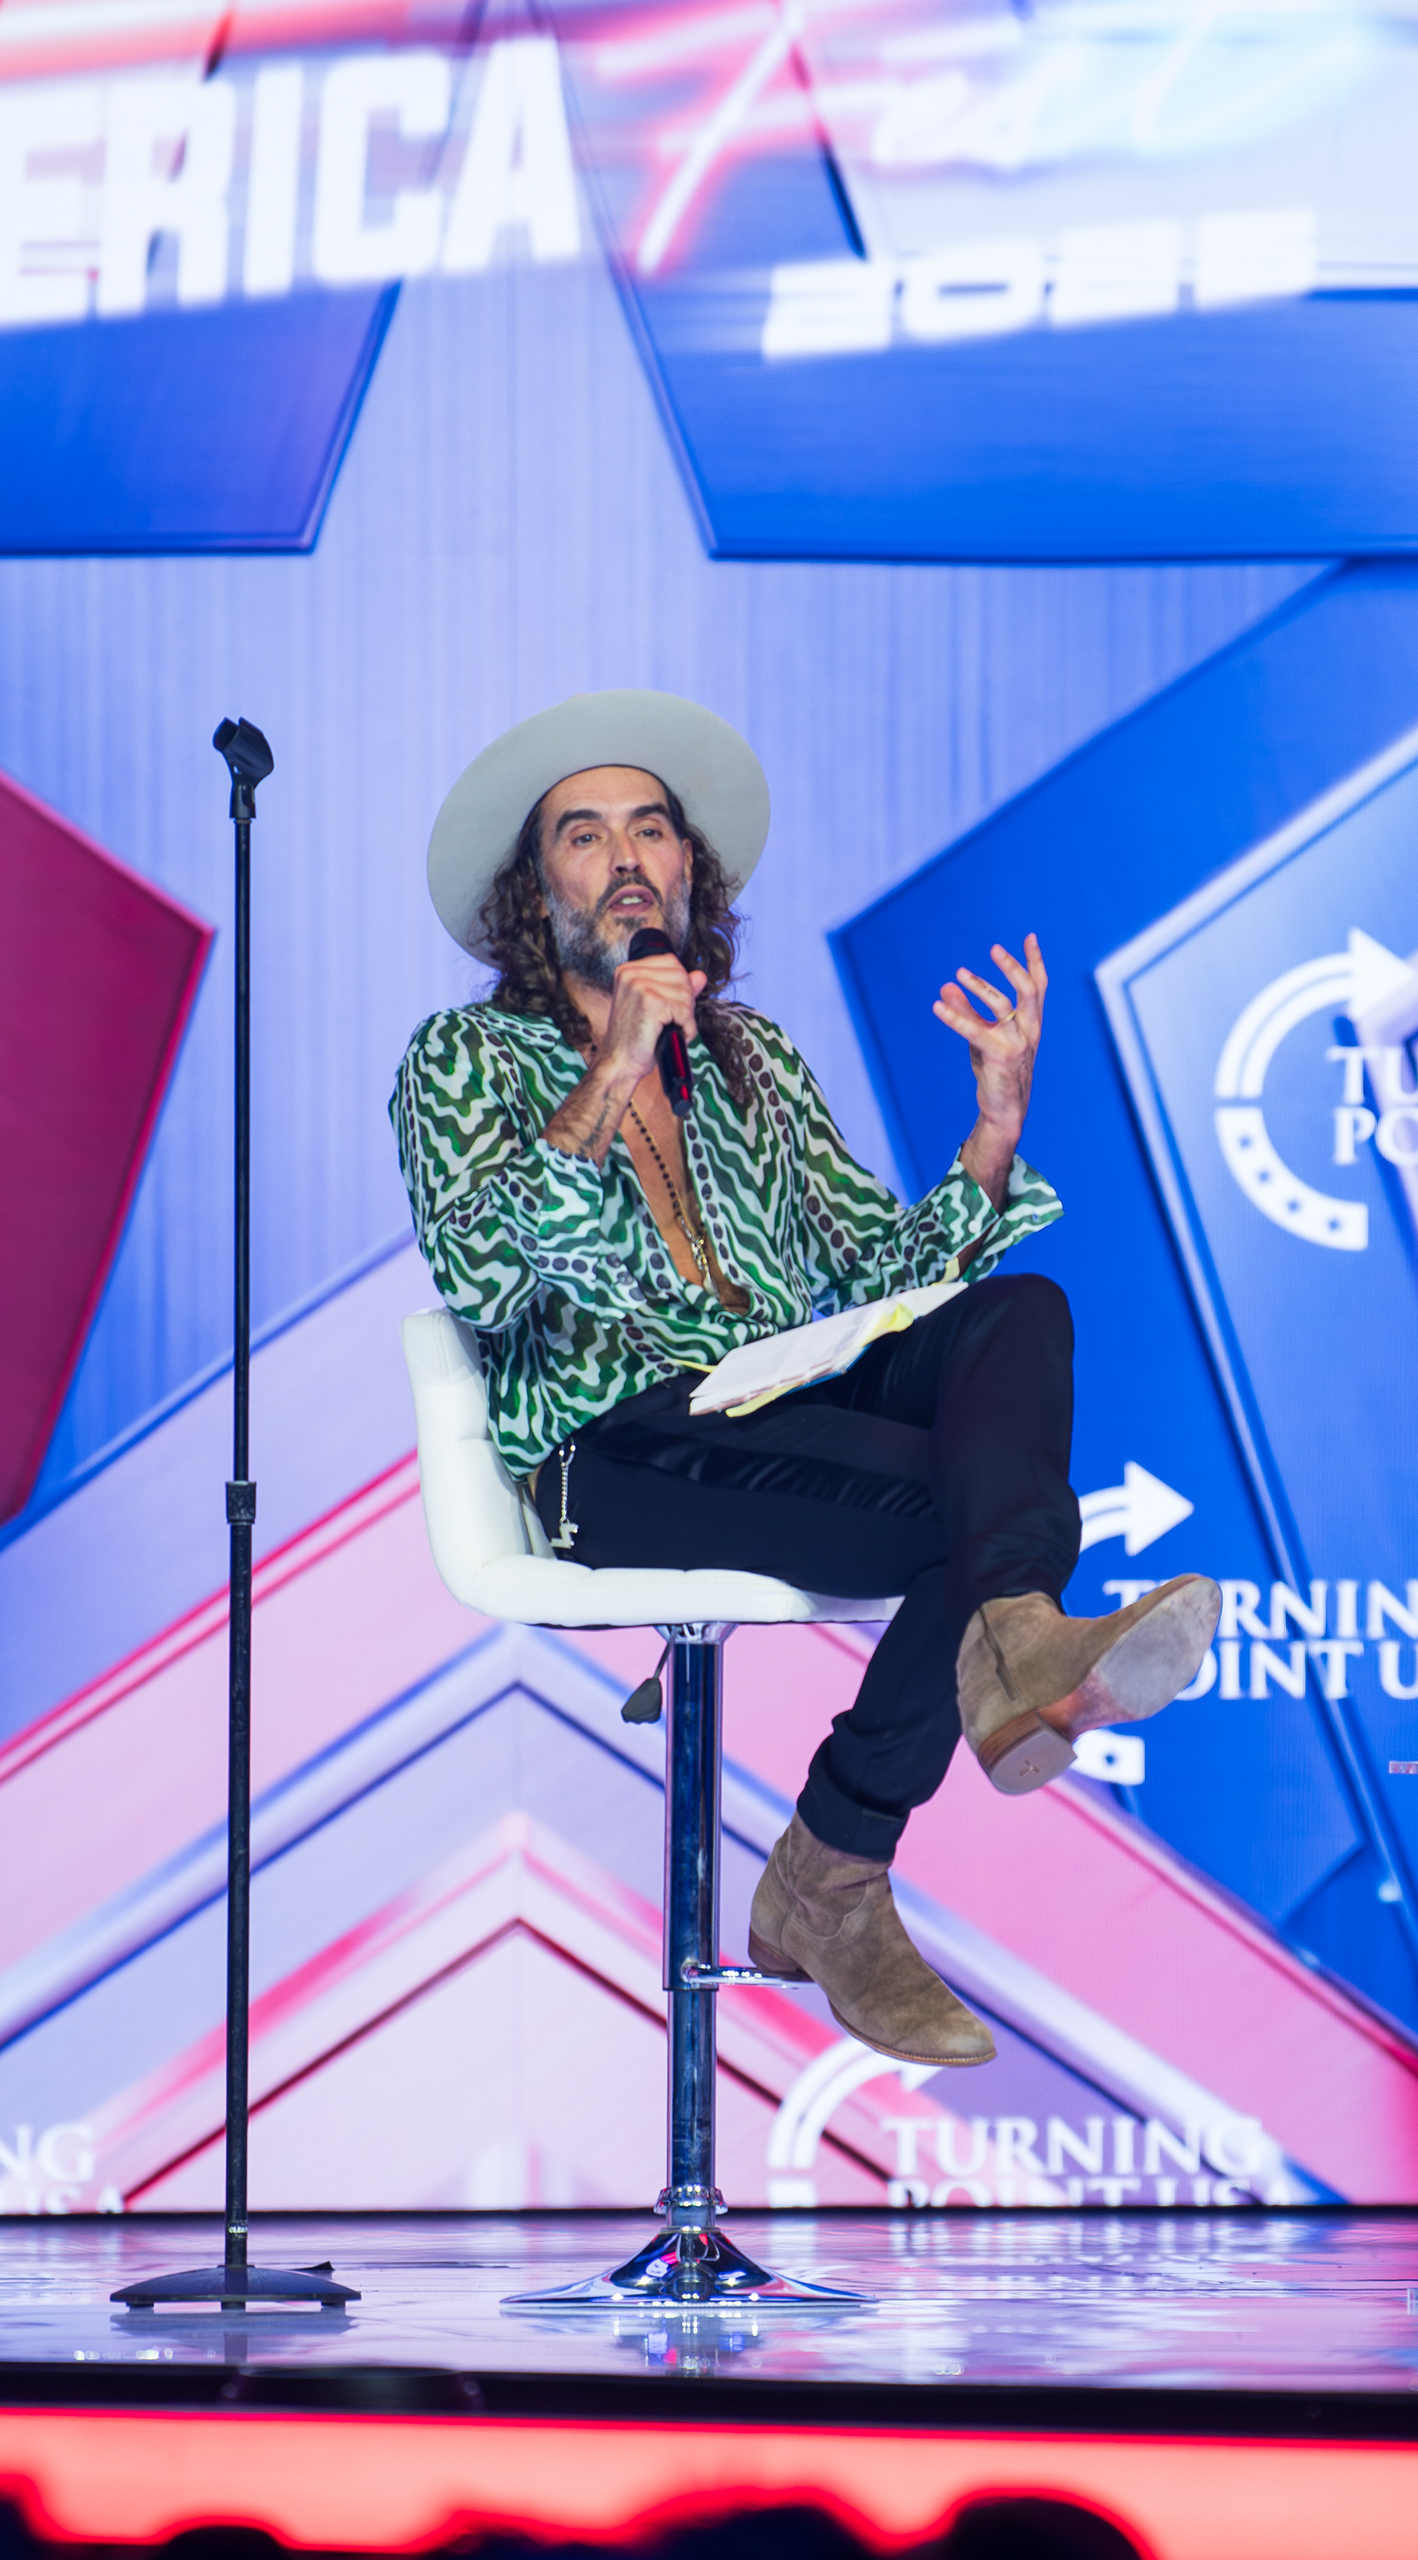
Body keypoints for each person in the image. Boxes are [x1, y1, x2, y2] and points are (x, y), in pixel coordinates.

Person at [393, 691, 1216, 2068]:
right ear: (539, 900)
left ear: (689, 874)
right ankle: (849, 1851)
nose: (630, 855)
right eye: (585, 837)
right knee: (996, 1511)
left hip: (780, 1402)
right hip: (612, 1452)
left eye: (651, 827)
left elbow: (882, 1267)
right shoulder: (463, 1062)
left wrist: (993, 1133)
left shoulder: (753, 1060)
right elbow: (483, 1277)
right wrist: (609, 1068)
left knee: (1014, 1311)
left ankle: (986, 1672)